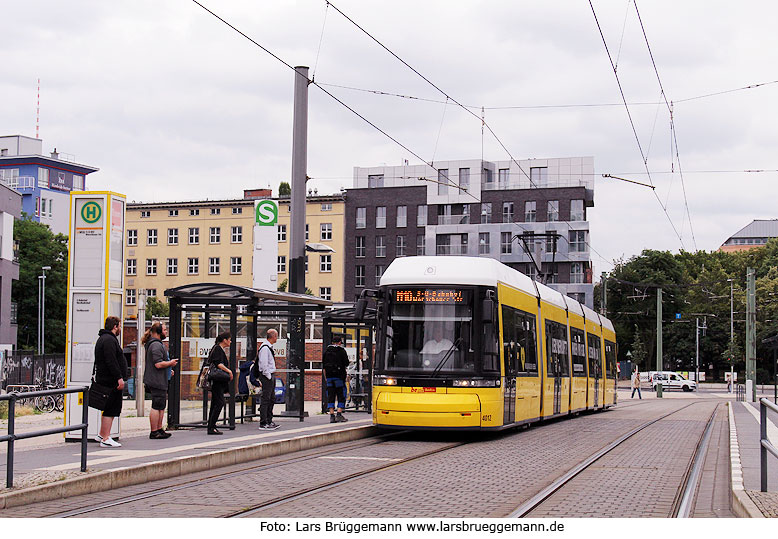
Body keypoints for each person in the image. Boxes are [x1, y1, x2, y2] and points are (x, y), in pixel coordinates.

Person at [94, 316, 128, 447]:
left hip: (106, 379)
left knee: (107, 408)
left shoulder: (104, 338)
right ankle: (106, 438)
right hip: (110, 381)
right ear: (115, 326)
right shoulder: (109, 340)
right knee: (111, 408)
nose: (120, 329)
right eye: (119, 326)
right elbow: (111, 360)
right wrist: (119, 377)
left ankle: (102, 434)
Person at [142, 322, 178, 439]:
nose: (166, 331)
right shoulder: (156, 345)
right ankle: (154, 431)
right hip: (156, 380)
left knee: (161, 405)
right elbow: (158, 364)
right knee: (157, 405)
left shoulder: (157, 344)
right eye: (164, 329)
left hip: (160, 379)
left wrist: (168, 369)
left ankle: (159, 428)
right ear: (158, 332)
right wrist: (170, 363)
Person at [206, 332, 233, 435]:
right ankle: (212, 426)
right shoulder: (217, 348)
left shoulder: (218, 348)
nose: (230, 341)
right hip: (216, 380)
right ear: (224, 340)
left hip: (218, 381)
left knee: (215, 403)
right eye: (229, 339)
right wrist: (229, 371)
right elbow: (218, 363)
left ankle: (211, 426)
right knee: (219, 402)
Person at [253, 328, 279, 430]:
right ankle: (263, 422)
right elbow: (263, 364)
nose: (277, 338)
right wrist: (268, 376)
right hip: (267, 376)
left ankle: (269, 420)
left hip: (270, 375)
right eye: (276, 336)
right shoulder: (265, 348)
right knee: (266, 399)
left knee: (271, 398)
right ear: (273, 336)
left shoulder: (268, 347)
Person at [323, 335, 350, 423]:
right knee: (341, 395)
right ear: (339, 343)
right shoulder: (341, 351)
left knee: (331, 395)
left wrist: (326, 378)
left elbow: (324, 367)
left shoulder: (326, 351)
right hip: (339, 377)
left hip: (329, 377)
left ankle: (331, 415)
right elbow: (346, 363)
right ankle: (339, 414)